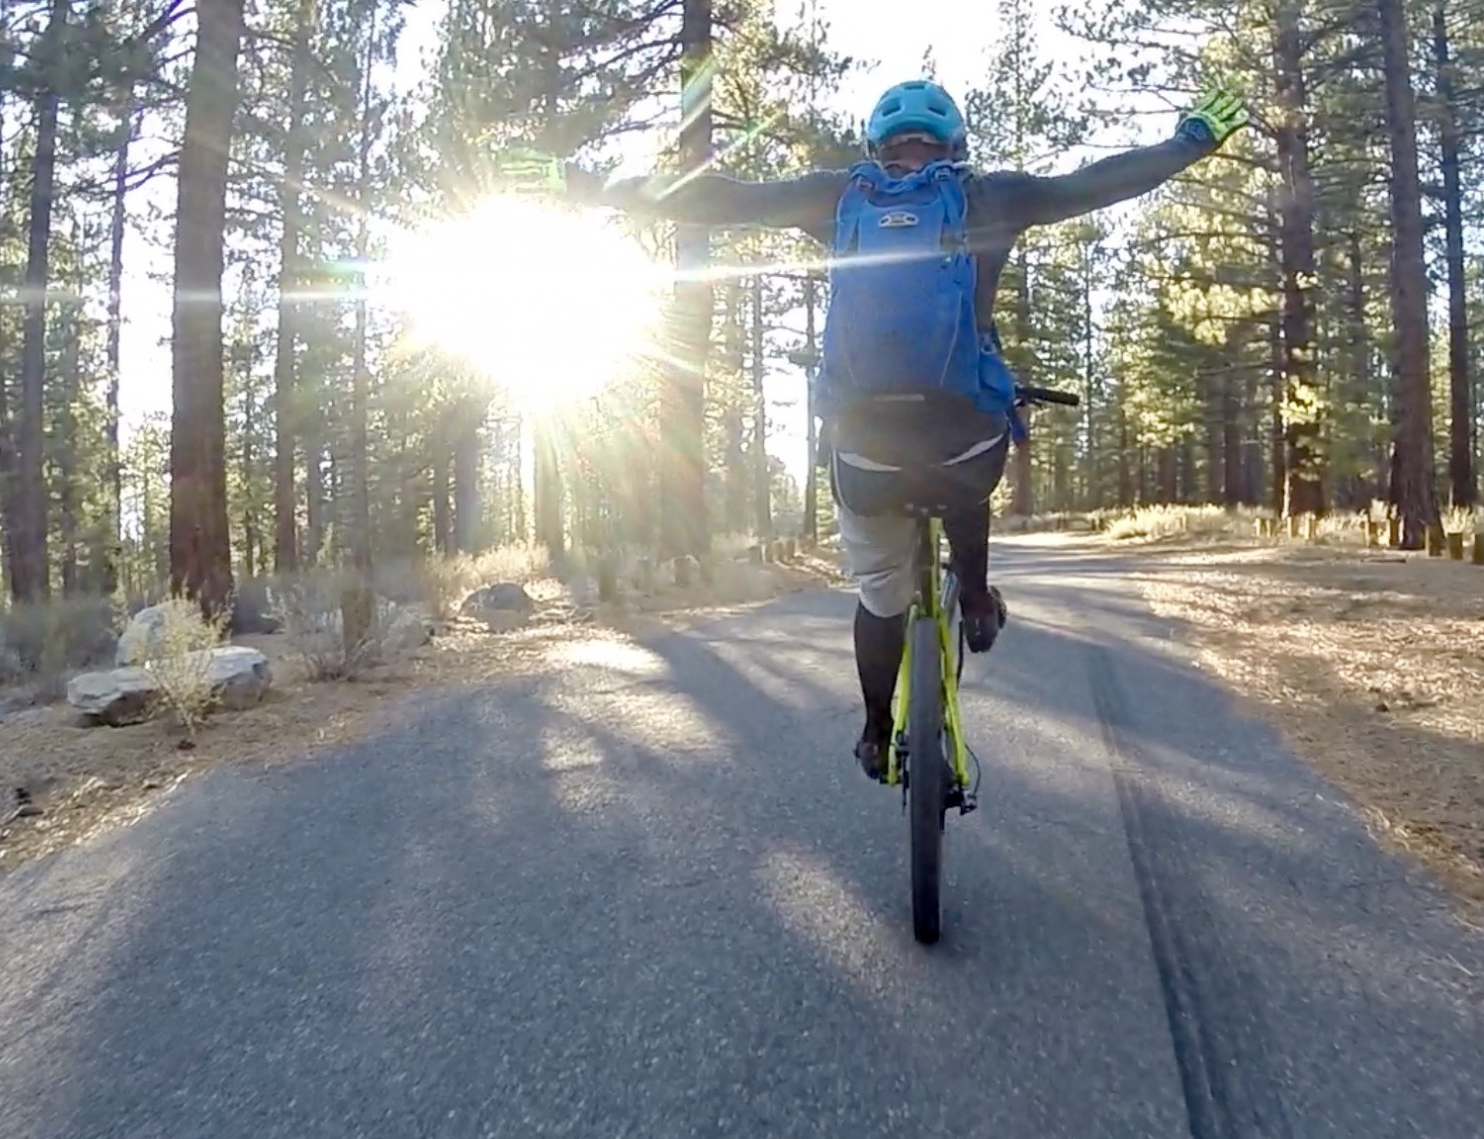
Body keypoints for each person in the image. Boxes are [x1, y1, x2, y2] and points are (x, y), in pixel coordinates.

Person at [500, 81, 1248, 781]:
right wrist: (1190, 140)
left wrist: (580, 181)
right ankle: (977, 598)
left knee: (881, 594)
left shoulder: (840, 196)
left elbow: (716, 199)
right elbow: (1097, 183)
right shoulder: (988, 196)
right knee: (969, 469)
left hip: (865, 454)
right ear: (956, 144)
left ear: (875, 146)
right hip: (961, 445)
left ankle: (873, 727)